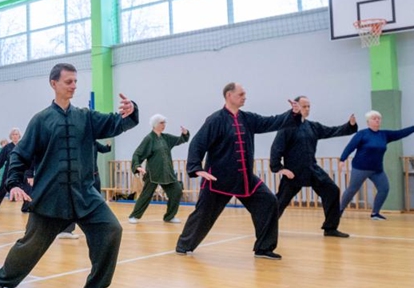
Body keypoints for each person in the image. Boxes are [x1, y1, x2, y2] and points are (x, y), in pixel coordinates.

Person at [0, 63, 139, 288]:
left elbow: (114, 123)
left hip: (85, 194)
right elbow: (20, 154)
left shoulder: (86, 117)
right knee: (31, 244)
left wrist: (130, 112)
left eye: (76, 82)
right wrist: (14, 183)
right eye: (68, 82)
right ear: (53, 84)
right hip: (50, 197)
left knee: (111, 229)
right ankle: (3, 280)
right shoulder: (40, 120)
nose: (73, 86)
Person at [175, 83, 300, 260]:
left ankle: (263, 248)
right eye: (241, 94)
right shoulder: (215, 120)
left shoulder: (248, 118)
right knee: (203, 215)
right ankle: (184, 245)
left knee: (269, 202)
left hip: (245, 179)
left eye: (245, 94)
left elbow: (271, 122)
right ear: (229, 96)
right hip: (217, 179)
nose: (244, 97)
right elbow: (198, 143)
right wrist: (196, 169)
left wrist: (292, 114)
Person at [270, 96, 356, 237]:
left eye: (309, 106)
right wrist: (280, 168)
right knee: (280, 202)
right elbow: (276, 149)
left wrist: (350, 125)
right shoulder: (286, 127)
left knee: (332, 190)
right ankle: (266, 229)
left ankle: (330, 228)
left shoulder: (312, 126)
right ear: (296, 107)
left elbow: (331, 131)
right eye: (304, 106)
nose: (307, 109)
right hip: (293, 172)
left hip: (312, 169)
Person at [338, 111, 414, 220]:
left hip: (377, 169)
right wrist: (342, 159)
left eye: (379, 118)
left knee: (384, 188)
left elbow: (401, 133)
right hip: (360, 168)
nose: (377, 120)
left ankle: (375, 213)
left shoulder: (384, 135)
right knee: (352, 189)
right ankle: (339, 210)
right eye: (374, 118)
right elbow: (350, 147)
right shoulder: (362, 134)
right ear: (368, 121)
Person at [128, 115, 190, 225]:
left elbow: (180, 140)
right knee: (146, 196)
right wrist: (137, 166)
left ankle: (169, 216)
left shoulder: (166, 138)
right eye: (162, 123)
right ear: (155, 124)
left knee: (176, 190)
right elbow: (137, 153)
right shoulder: (149, 139)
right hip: (153, 174)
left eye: (164, 123)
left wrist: (185, 133)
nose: (164, 125)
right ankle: (134, 216)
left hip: (167, 173)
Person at [58, 140, 111, 239]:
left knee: (97, 202)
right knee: (74, 202)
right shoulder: (78, 142)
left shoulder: (94, 142)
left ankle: (97, 227)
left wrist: (108, 145)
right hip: (80, 178)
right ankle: (66, 230)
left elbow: (104, 150)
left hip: (94, 176)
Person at [0, 128, 21, 214]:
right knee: (2, 189)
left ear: (19, 136)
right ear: (11, 136)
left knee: (27, 188)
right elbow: (0, 160)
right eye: (13, 134)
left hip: (21, 171)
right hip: (9, 171)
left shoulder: (23, 145)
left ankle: (27, 207)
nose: (15, 136)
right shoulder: (7, 147)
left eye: (16, 134)